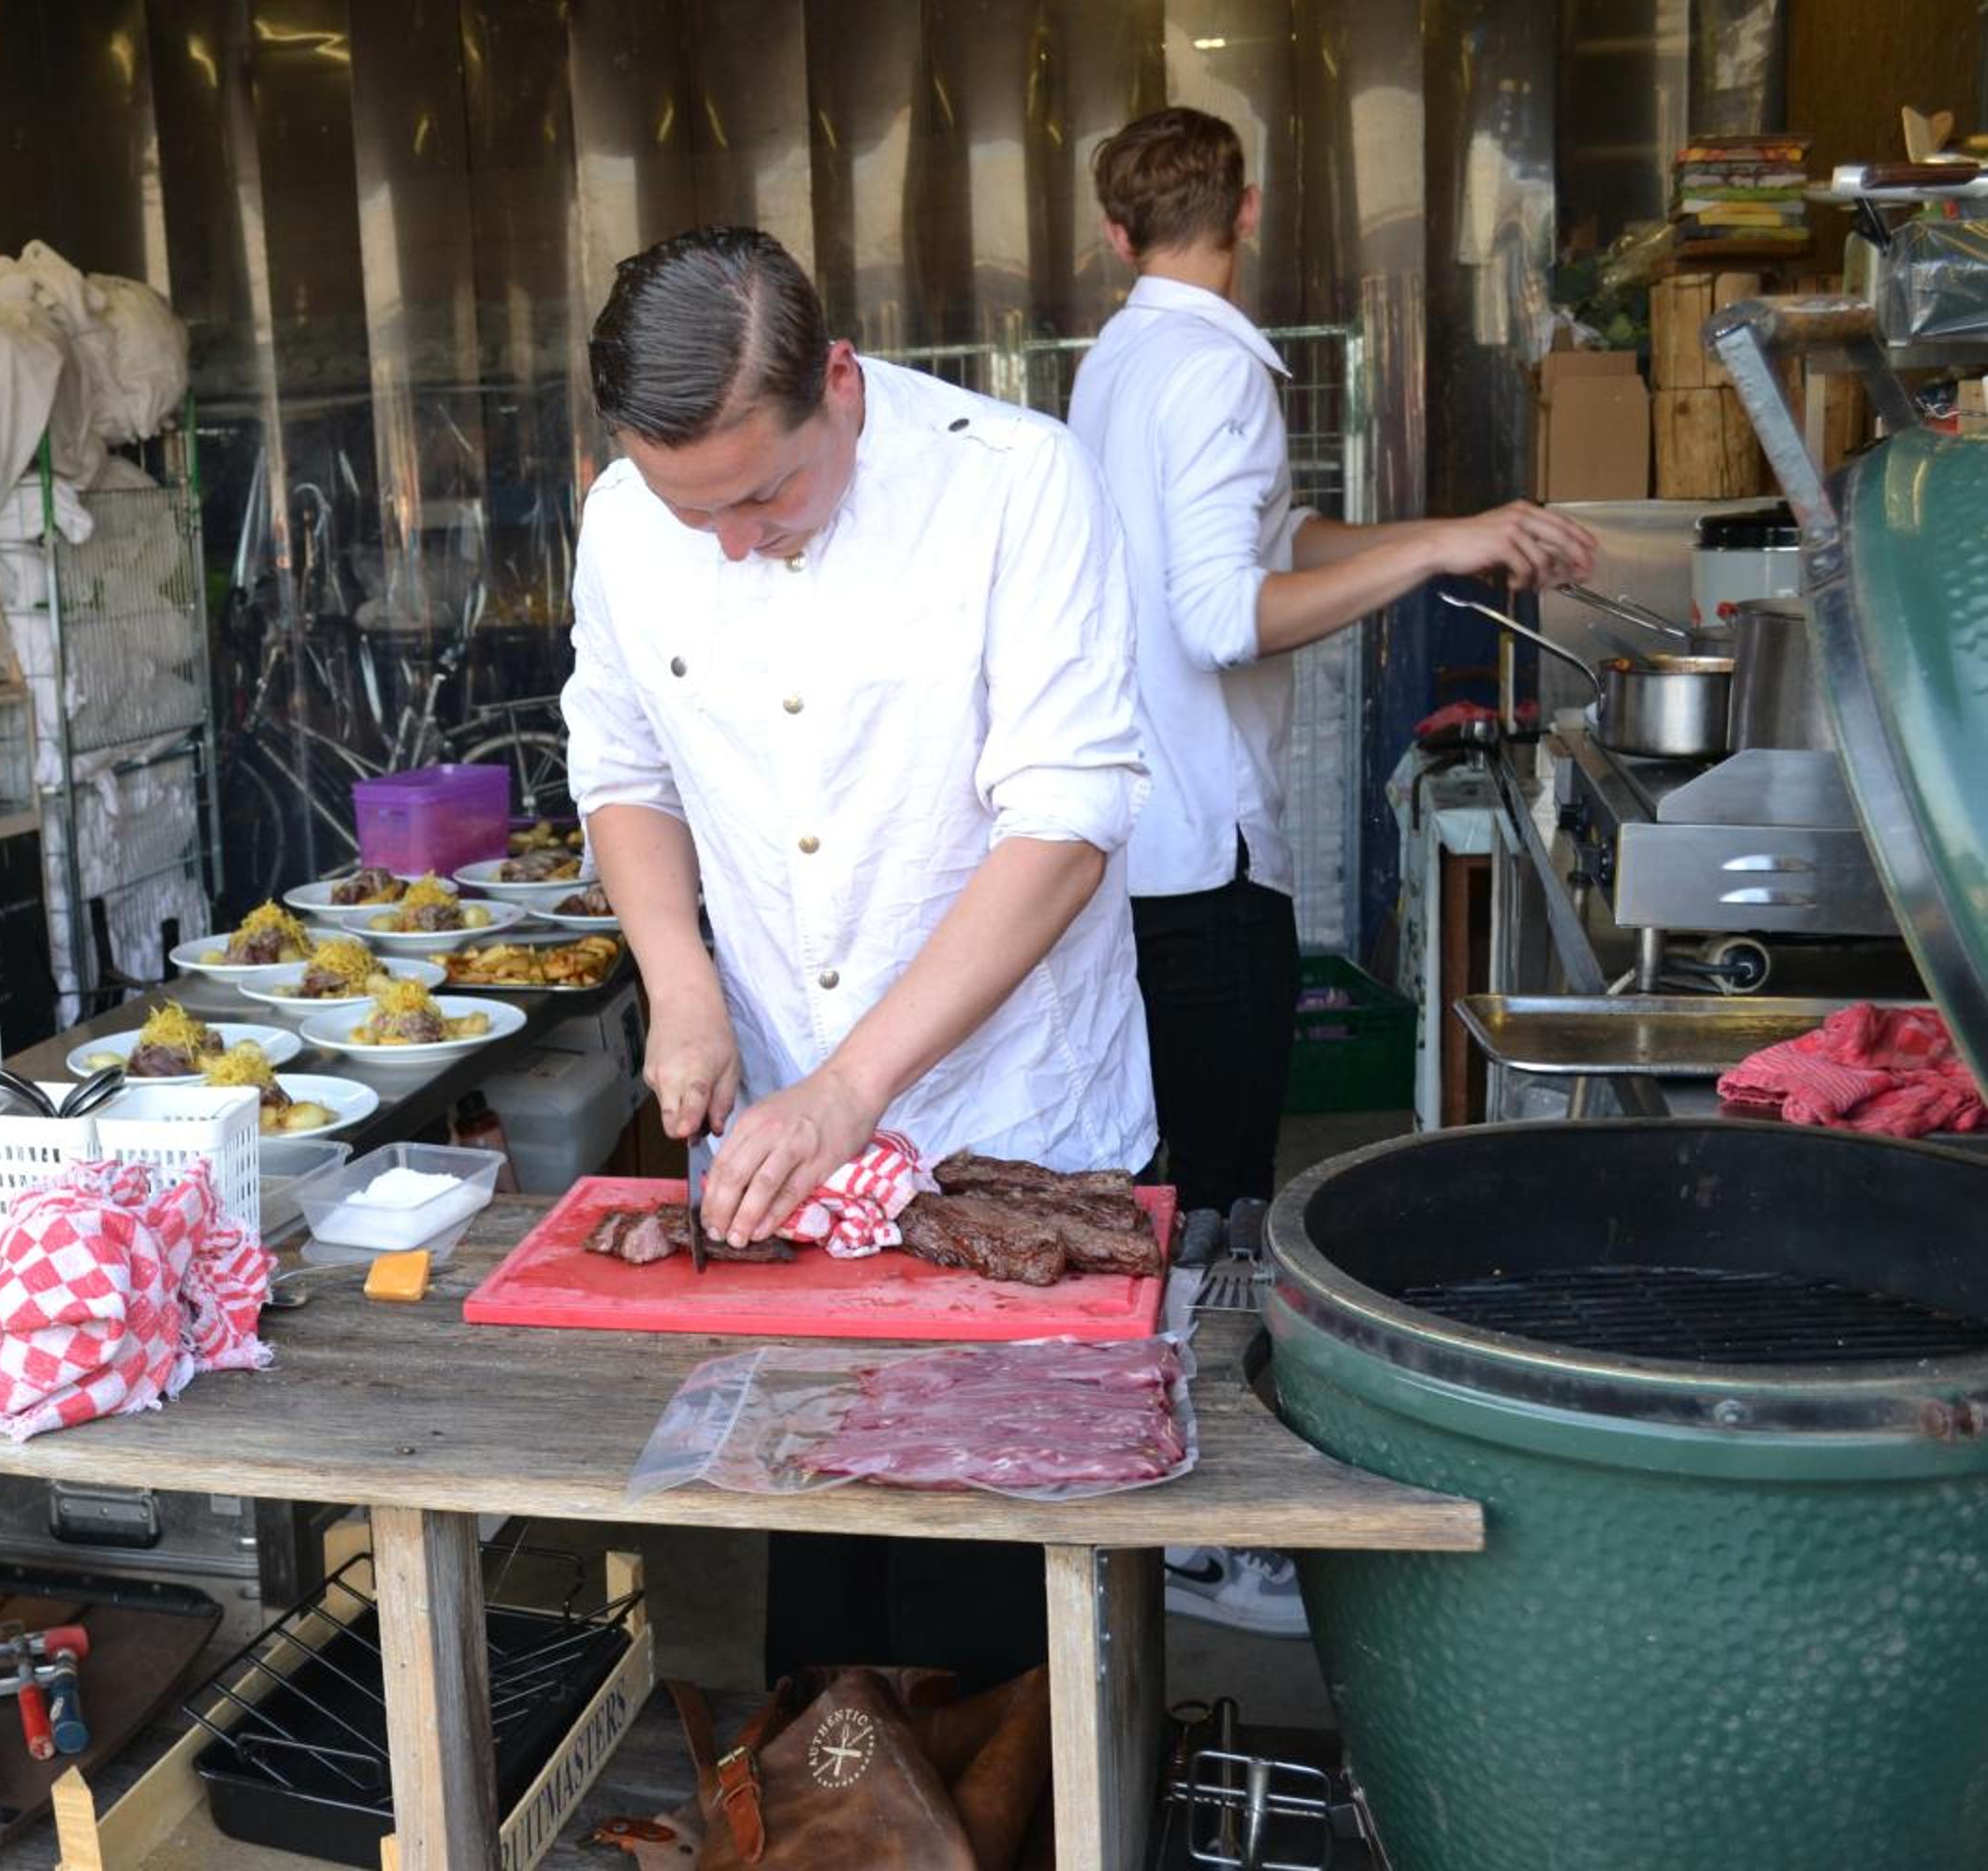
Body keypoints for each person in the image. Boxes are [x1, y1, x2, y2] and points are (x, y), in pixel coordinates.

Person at [561, 226, 1154, 1686]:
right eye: (692, 510)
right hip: (784, 1169)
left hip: (1018, 1144)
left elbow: (1065, 824)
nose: (732, 541)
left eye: (766, 493)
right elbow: (622, 772)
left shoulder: (1017, 484)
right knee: (821, 1616)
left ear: (838, 378)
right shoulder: (629, 523)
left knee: (1004, 1642)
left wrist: (852, 1087)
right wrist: (684, 988)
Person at [1067, 106, 1597, 1636]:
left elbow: (1277, 531)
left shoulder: (1122, 362)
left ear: (1115, 235)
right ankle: (1198, 1543)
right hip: (1205, 847)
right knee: (1215, 1214)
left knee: (1168, 1195)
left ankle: (1152, 1518)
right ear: (1248, 208)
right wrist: (1432, 558)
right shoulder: (1219, 367)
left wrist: (1456, 528)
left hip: (1133, 844)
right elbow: (1226, 613)